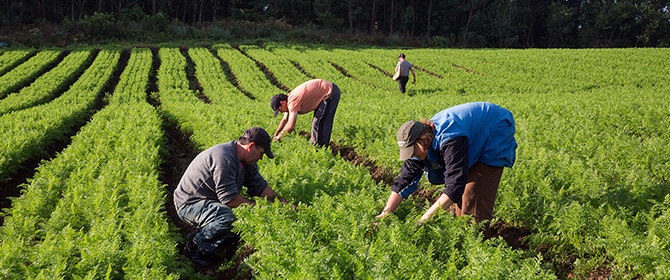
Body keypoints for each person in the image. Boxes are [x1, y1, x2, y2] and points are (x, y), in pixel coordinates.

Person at [375, 102, 517, 223]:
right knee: (461, 198)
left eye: (412, 151)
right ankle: (462, 238)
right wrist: (386, 213)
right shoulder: (421, 145)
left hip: (494, 130)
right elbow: (404, 181)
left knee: (473, 198)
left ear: (423, 141)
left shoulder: (450, 140)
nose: (412, 156)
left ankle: (475, 245)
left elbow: (454, 186)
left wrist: (423, 220)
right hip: (471, 135)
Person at [174, 127, 290, 267]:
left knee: (235, 218)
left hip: (208, 201)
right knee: (228, 216)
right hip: (188, 204)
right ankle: (195, 248)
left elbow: (260, 187)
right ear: (251, 146)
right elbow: (229, 199)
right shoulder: (224, 157)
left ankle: (204, 236)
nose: (260, 158)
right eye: (261, 153)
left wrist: (283, 203)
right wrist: (258, 207)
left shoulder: (247, 162)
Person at [270, 79, 341, 147]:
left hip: (330, 92)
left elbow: (291, 126)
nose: (281, 112)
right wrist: (277, 132)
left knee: (319, 123)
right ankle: (318, 148)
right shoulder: (289, 99)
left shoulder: (293, 101)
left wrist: (279, 137)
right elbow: (285, 119)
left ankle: (319, 150)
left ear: (282, 103)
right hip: (327, 90)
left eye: (280, 110)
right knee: (318, 122)